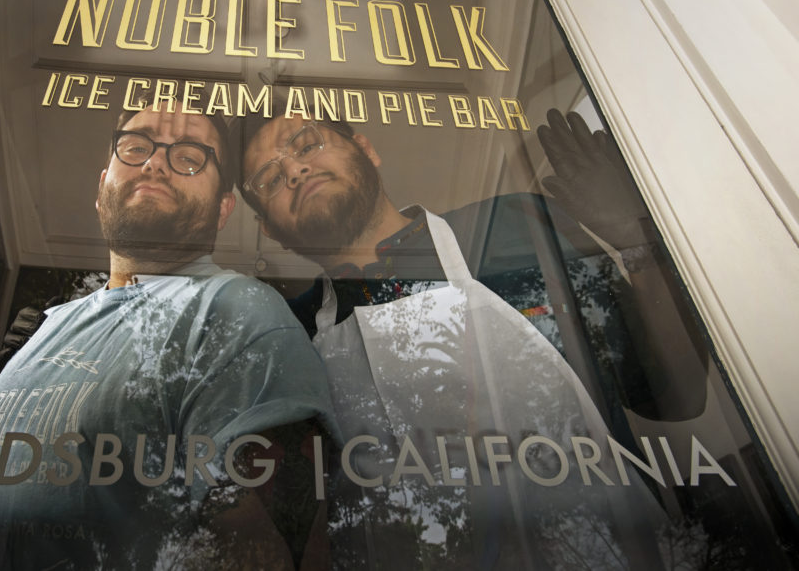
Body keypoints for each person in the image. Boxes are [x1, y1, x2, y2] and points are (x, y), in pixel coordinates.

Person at [236, 109, 698, 568]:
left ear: (365, 147)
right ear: (269, 230)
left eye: (306, 145)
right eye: (270, 179)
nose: (294, 171)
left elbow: (678, 396)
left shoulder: (518, 225)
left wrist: (638, 240)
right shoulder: (287, 334)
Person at [0, 100, 337, 570]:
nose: (156, 163)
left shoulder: (236, 309)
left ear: (223, 209)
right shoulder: (42, 327)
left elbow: (263, 546)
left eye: (189, 157)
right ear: (102, 186)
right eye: (136, 147)